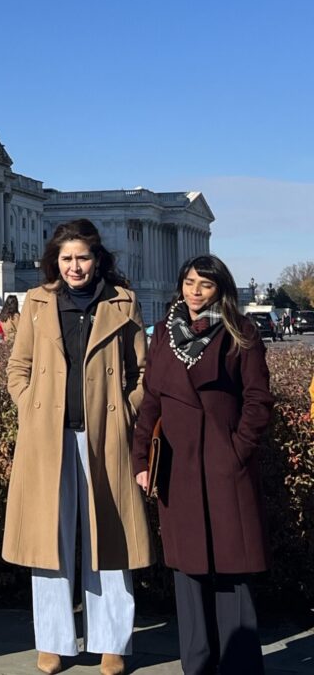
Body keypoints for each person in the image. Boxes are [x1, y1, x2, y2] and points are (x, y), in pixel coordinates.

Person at [4, 218, 152, 675]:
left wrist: (125, 410)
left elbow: (142, 372)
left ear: (97, 258)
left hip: (103, 434)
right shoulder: (37, 302)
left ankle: (111, 641)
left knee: (108, 538)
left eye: (82, 257)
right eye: (66, 258)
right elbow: (19, 365)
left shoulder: (123, 303)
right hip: (48, 435)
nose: (74, 266)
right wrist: (29, 405)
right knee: (50, 539)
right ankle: (53, 641)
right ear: (55, 261)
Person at [132, 254, 274, 675]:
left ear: (220, 289)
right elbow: (151, 400)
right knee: (189, 572)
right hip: (178, 465)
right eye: (190, 282)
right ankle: (197, 666)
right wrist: (142, 458)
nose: (195, 291)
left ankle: (241, 665)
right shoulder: (162, 334)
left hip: (224, 463)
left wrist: (237, 450)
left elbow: (258, 399)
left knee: (234, 568)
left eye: (205, 285)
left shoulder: (239, 331)